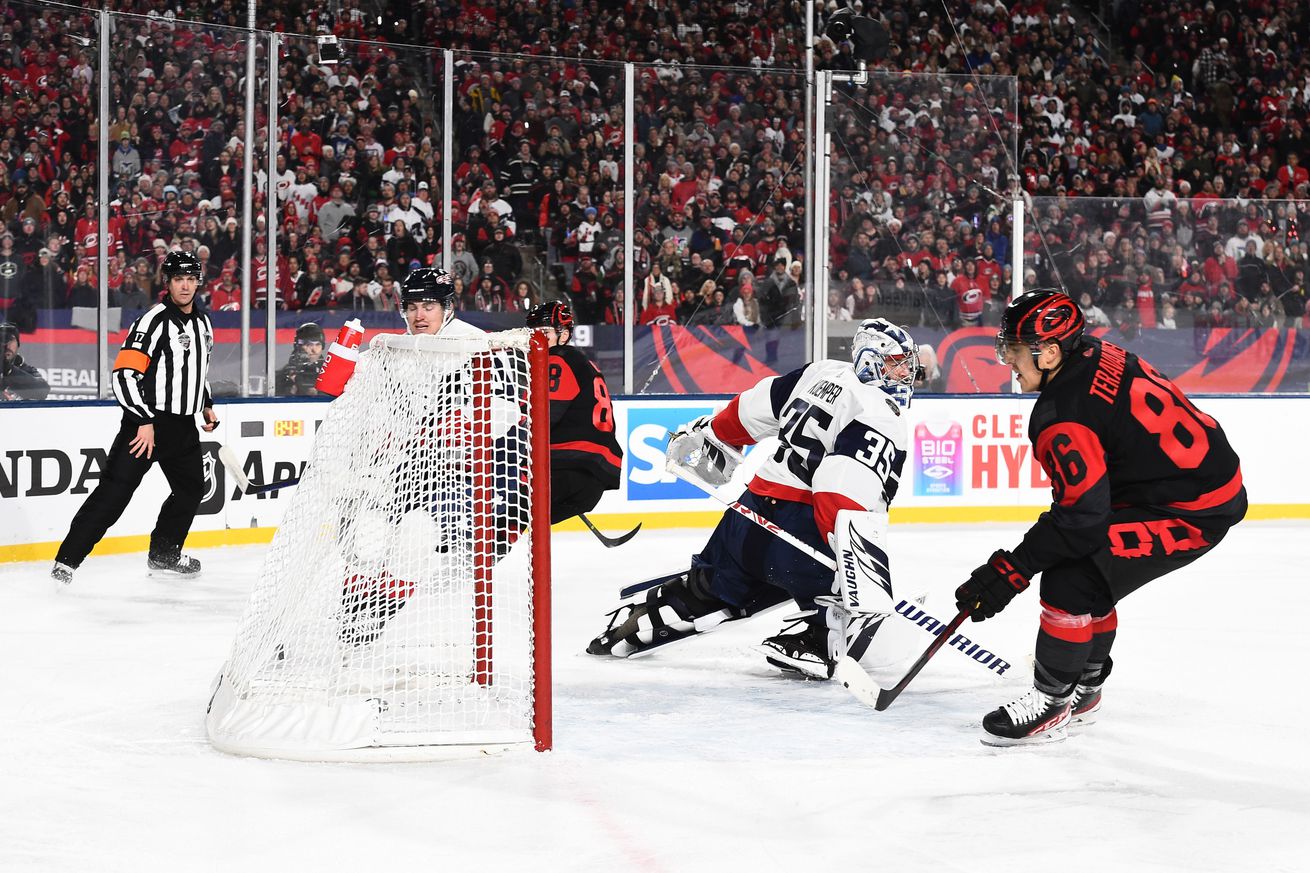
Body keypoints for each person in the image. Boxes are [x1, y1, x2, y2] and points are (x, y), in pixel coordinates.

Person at [954, 290, 1246, 747]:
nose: (1007, 360)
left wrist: (1011, 570)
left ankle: (1053, 702)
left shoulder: (1059, 415)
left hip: (1192, 509)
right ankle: (1085, 688)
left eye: (1014, 349)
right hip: (1187, 484)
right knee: (1090, 566)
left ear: (1050, 352)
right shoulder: (1093, 350)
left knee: (1073, 578)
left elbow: (1079, 519)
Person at [588, 319, 922, 683]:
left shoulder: (821, 372)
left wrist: (714, 433)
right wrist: (856, 566)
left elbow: (750, 410)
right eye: (896, 362)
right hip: (801, 530)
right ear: (872, 359)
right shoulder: (881, 414)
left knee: (714, 583)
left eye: (907, 363)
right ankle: (820, 640)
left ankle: (650, 617)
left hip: (748, 516)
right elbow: (839, 492)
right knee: (840, 589)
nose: (905, 373)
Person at [51, 251, 219, 587]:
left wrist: (205, 404)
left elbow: (195, 372)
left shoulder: (203, 322)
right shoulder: (152, 321)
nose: (185, 286)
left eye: (190, 278)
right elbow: (124, 375)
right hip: (145, 427)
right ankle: (66, 562)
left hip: (183, 429)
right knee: (114, 494)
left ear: (198, 281)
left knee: (191, 490)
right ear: (167, 283)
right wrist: (143, 419)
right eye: (178, 279)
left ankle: (164, 554)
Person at [524, 302, 622, 523]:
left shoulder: (557, 359)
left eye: (544, 332)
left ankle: (470, 553)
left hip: (568, 469)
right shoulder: (584, 362)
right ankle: (483, 555)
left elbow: (543, 417)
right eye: (533, 332)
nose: (536, 339)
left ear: (564, 335)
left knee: (501, 508)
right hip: (590, 476)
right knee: (518, 520)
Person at [0, 322, 50, 400]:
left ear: (18, 344)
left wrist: (10, 370)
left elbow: (42, 392)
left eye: (11, 340)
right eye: (1, 340)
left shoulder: (23, 368)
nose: (7, 345)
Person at [275, 322, 326, 395]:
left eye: (318, 344)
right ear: (298, 346)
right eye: (309, 345)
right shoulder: (284, 375)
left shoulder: (330, 373)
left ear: (322, 346)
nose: (314, 350)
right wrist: (291, 389)